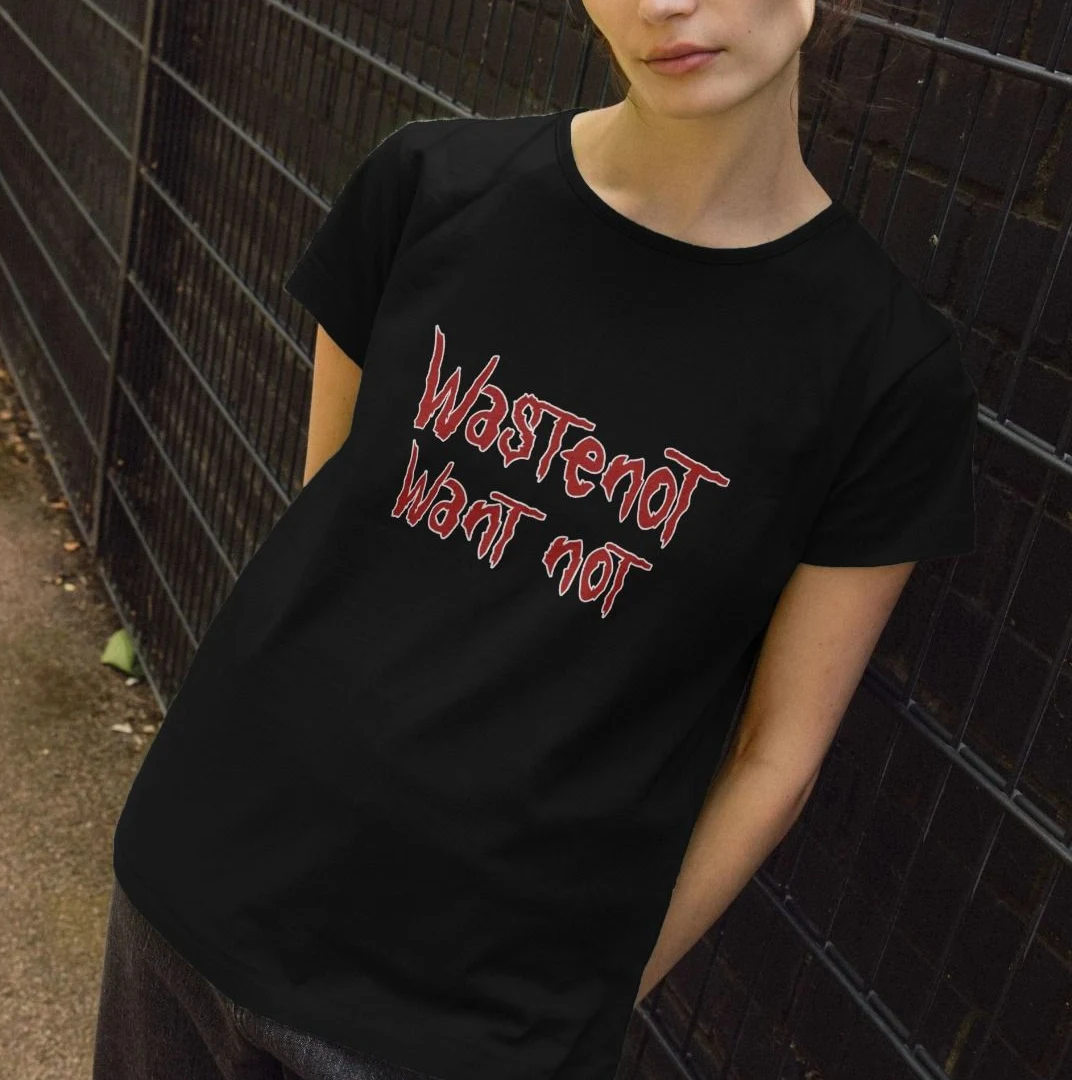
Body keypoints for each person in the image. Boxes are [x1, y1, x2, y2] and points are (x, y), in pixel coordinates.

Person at [92, 1, 978, 1078]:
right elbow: (326, 534)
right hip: (196, 873)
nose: (662, 5)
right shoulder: (427, 184)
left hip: (461, 1026)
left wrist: (580, 1013)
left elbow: (775, 760)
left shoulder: (883, 371)